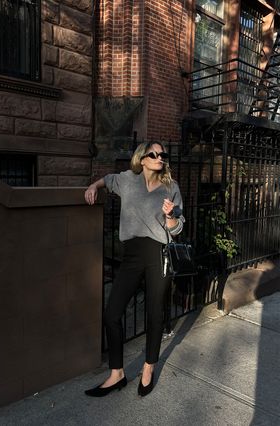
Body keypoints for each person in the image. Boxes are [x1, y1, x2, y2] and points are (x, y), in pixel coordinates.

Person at [84, 142, 184, 397]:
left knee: (154, 313)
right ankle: (116, 374)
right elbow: (107, 179)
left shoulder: (171, 187)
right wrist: (93, 187)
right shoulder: (127, 180)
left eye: (163, 154)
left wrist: (171, 217)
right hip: (132, 254)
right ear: (142, 159)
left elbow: (178, 228)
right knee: (112, 313)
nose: (160, 157)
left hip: (158, 254)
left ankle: (149, 367)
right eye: (154, 154)